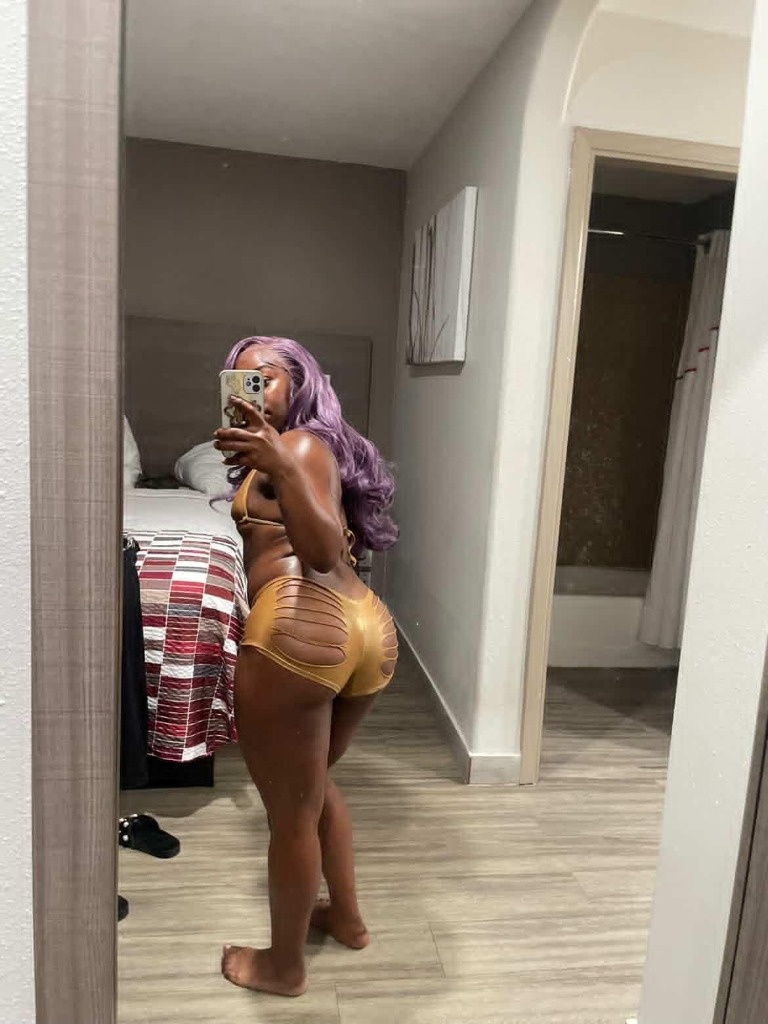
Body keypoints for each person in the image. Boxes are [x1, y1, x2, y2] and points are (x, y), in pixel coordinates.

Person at [213, 336, 399, 997]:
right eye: (238, 380)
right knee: (313, 787)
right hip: (365, 626)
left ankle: (284, 967)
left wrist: (278, 466)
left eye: (264, 378)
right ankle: (346, 919)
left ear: (300, 383)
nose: (251, 391)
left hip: (301, 627)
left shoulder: (296, 448)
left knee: (290, 815)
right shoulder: (315, 447)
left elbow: (319, 552)